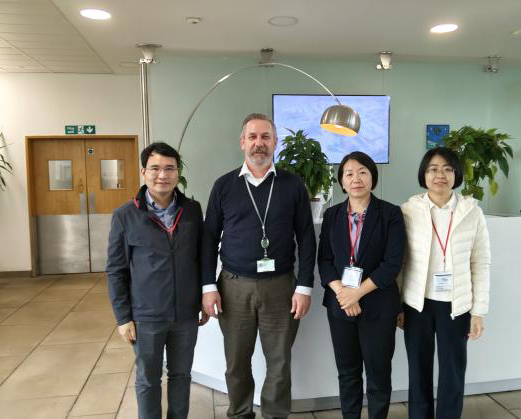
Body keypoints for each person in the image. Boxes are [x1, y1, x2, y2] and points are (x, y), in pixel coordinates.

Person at [202, 113, 316, 419]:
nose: (259, 143)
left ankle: (275, 415)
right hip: (233, 287)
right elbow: (209, 239)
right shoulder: (224, 186)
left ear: (275, 142)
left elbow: (307, 238)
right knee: (236, 362)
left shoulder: (293, 185)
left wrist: (304, 287)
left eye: (266, 137)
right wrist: (208, 287)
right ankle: (240, 413)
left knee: (279, 362)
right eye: (252, 137)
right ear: (242, 142)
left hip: (281, 287)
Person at [107, 142, 208, 419]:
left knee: (181, 375)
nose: (162, 175)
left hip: (185, 314)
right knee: (148, 380)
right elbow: (116, 270)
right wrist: (123, 317)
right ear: (143, 172)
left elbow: (202, 259)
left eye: (169, 168)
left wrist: (203, 297)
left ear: (178, 173)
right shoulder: (125, 215)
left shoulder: (192, 210)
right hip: (146, 316)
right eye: (155, 168)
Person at [399, 147, 491, 419]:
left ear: (456, 174)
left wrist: (478, 311)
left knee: (453, 371)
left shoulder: (472, 212)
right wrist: (398, 304)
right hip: (417, 304)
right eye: (433, 169)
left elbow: (481, 263)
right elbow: (399, 262)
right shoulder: (408, 211)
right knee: (418, 370)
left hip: (456, 305)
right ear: (424, 175)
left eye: (447, 169)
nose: (440, 175)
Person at [318, 151, 406, 419]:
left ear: (372, 178)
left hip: (379, 306)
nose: (356, 179)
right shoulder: (332, 215)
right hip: (340, 306)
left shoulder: (390, 214)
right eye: (349, 174)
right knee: (348, 372)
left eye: (362, 172)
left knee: (378, 373)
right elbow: (325, 261)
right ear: (342, 182)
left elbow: (392, 264)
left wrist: (356, 293)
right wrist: (342, 293)